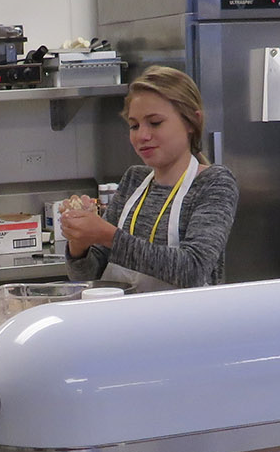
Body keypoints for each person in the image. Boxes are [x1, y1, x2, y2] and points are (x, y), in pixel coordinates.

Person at [60, 66, 239, 291]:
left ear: (191, 123)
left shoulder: (214, 183)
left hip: (186, 314)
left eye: (155, 123)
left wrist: (107, 235)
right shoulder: (134, 180)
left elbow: (193, 270)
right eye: (134, 125)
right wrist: (80, 242)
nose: (142, 136)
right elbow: (89, 277)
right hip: (125, 313)